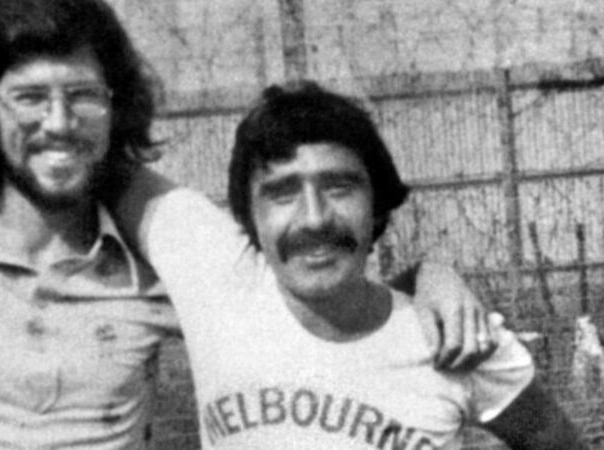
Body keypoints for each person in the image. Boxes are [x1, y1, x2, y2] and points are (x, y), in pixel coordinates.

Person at [0, 2, 496, 449]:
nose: (58, 122)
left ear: (117, 109)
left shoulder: (165, 260)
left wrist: (432, 277)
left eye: (82, 96)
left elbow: (312, 287)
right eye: (28, 97)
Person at [107, 81, 586, 449]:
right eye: (282, 192)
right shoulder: (217, 273)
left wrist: (431, 272)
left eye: (340, 187)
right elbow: (88, 153)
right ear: (247, 217)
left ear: (377, 205)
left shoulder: (452, 338)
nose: (314, 218)